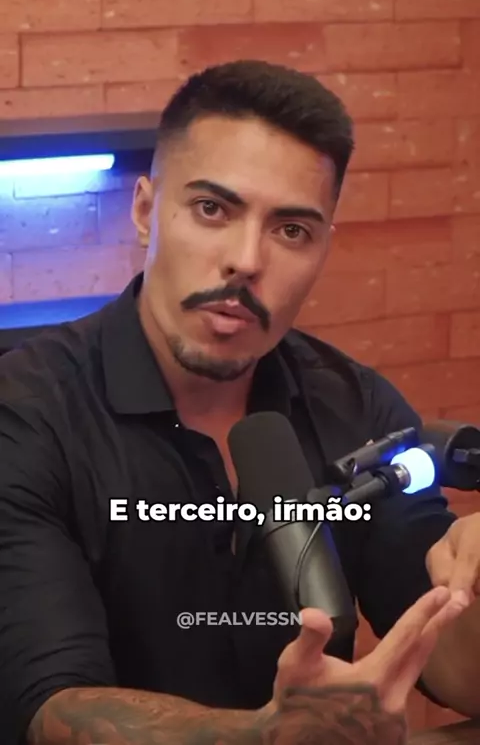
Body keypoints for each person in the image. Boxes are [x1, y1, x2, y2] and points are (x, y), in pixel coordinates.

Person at [1, 60, 480, 745]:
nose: (247, 260)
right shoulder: (27, 415)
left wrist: (473, 594)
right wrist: (265, 736)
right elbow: (50, 707)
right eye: (212, 209)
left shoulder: (358, 408)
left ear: (324, 249)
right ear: (145, 211)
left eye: (292, 230)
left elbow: (453, 668)